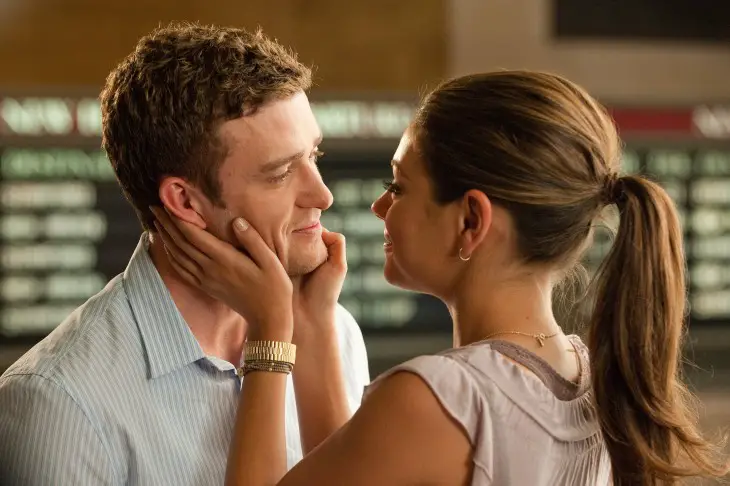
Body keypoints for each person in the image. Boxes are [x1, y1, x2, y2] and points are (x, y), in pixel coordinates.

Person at [154, 70, 730, 485]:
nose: (380, 207)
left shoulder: (438, 397)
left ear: (472, 220)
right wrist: (312, 320)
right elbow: (356, 466)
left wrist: (270, 329)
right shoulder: (586, 377)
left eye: (399, 187)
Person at [0, 23, 370, 485]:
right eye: (279, 174)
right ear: (186, 202)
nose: (322, 195)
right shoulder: (59, 401)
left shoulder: (334, 332)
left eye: (314, 155)